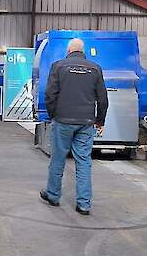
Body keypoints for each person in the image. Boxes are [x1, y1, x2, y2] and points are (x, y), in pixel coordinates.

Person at [40, 38, 108, 215]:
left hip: (62, 120)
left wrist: (53, 115)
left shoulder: (58, 66)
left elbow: (50, 94)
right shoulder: (95, 68)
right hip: (86, 123)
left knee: (57, 159)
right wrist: (100, 121)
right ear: (82, 51)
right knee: (84, 162)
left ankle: (53, 195)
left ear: (68, 51)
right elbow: (103, 99)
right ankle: (84, 204)